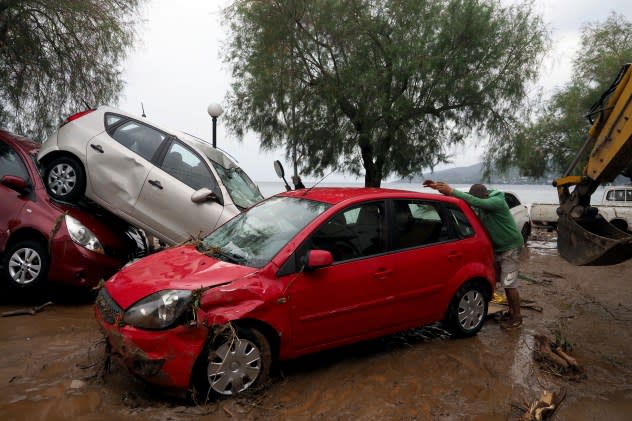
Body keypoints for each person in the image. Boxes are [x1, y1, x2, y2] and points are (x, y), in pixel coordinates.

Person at [424, 180, 524, 329]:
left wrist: (451, 190)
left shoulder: (497, 201)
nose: (477, 203)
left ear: (486, 195)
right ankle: (511, 311)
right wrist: (439, 188)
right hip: (497, 249)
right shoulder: (480, 204)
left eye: (480, 200)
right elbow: (466, 200)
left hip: (511, 248)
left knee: (509, 284)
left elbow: (474, 201)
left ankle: (517, 317)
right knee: (499, 282)